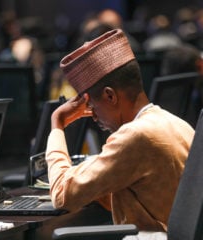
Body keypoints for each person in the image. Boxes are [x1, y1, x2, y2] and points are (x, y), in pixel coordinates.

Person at [45, 29, 195, 233]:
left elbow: (62, 195)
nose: (94, 116)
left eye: (93, 107)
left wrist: (57, 122)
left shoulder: (134, 135)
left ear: (110, 96)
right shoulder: (175, 123)